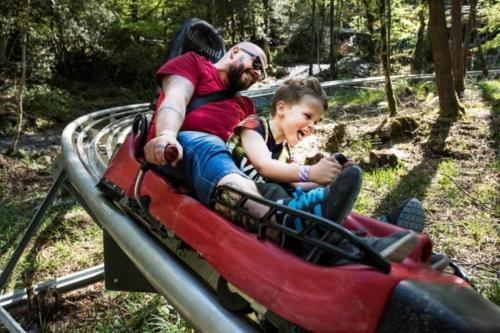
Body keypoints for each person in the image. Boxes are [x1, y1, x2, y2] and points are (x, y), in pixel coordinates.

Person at [143, 44, 415, 262]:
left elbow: (269, 160)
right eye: (257, 64)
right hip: (180, 150)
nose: (258, 74)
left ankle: (367, 241)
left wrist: (326, 175)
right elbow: (176, 99)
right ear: (235, 52)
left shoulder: (245, 105)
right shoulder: (194, 64)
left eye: (262, 73)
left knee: (292, 193)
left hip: (225, 169)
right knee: (217, 150)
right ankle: (286, 226)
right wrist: (166, 135)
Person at [226, 78, 417, 260]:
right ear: (281, 108)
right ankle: (368, 238)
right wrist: (310, 172)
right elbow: (264, 165)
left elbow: (299, 183)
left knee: (315, 196)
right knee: (275, 190)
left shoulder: (285, 152)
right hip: (246, 201)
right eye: (308, 116)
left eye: (316, 122)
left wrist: (332, 176)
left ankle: (376, 235)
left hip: (280, 206)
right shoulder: (253, 126)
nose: (312, 127)